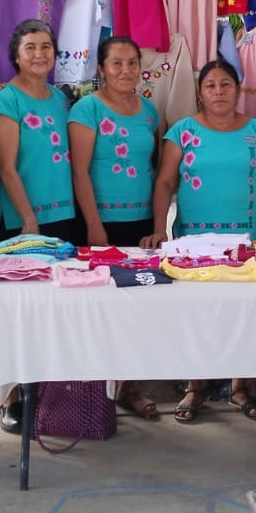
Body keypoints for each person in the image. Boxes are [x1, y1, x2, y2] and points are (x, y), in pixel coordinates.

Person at [150, 59, 256, 423]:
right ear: (200, 93)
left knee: (244, 315)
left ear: (238, 90)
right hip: (194, 242)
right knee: (196, 315)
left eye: (226, 85)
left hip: (247, 240)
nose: (219, 92)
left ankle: (240, 386)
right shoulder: (182, 132)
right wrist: (161, 228)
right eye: (211, 86)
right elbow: (163, 183)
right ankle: (195, 385)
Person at [69, 34, 161, 419]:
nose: (126, 70)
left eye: (132, 63)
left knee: (136, 310)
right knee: (98, 310)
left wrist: (158, 225)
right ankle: (93, 394)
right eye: (117, 63)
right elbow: (80, 170)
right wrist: (93, 224)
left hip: (139, 224)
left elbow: (156, 171)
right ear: (102, 69)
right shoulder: (87, 109)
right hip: (99, 223)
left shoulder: (150, 112)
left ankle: (127, 387)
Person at [0, 19, 77, 240]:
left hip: (63, 214)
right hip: (23, 220)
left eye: (46, 46)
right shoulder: (6, 100)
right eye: (30, 47)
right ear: (16, 57)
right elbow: (5, 167)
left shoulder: (60, 98)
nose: (40, 53)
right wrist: (28, 218)